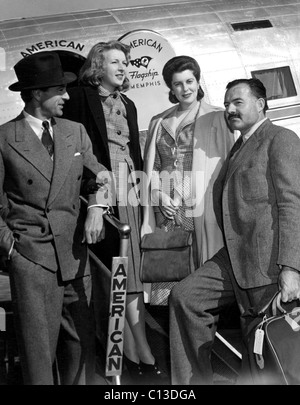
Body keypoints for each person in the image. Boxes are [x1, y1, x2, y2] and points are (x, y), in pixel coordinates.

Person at [169, 78, 300, 385]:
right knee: (185, 297)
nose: (230, 109)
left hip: (269, 261)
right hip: (234, 258)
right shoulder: (240, 145)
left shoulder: (280, 138)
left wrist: (292, 268)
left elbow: (293, 204)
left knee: (270, 349)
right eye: (227, 104)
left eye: (238, 102)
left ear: (260, 103)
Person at [0, 51, 112, 385]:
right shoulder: (4, 139)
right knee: (38, 355)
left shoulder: (74, 132)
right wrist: (12, 251)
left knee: (81, 346)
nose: (66, 96)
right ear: (36, 94)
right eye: (58, 90)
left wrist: (96, 207)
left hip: (75, 255)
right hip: (31, 257)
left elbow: (102, 175)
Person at [62, 40, 165, 384]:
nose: (123, 68)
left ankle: (137, 347)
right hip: (101, 198)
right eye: (115, 62)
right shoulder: (79, 98)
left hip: (130, 194)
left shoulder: (129, 103)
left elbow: (133, 152)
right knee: (115, 275)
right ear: (97, 67)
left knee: (132, 274)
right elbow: (72, 151)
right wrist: (91, 198)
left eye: (126, 63)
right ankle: (132, 349)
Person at [141, 55, 238, 306]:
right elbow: (153, 166)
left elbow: (221, 165)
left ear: (198, 81)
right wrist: (159, 196)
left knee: (201, 278)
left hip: (201, 206)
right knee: (169, 273)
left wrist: (182, 193)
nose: (186, 89)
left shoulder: (217, 117)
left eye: (190, 81)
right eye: (178, 84)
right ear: (170, 88)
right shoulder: (159, 121)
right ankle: (175, 333)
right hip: (166, 209)